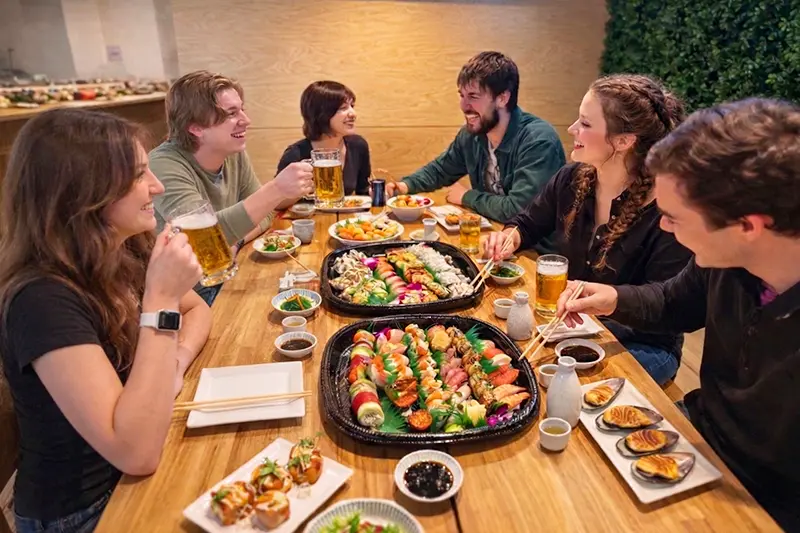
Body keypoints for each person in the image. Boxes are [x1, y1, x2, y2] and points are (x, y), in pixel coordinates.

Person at [556, 98, 800, 531]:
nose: (663, 228)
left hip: (768, 502)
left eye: (672, 217)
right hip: (697, 436)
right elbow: (674, 302)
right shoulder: (725, 260)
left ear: (749, 226)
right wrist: (611, 297)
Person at [0, 108, 213, 532]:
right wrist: (160, 299)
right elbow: (134, 452)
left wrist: (176, 362)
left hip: (139, 460)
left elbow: (198, 309)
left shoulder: (124, 247)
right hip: (86, 509)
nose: (158, 186)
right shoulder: (41, 297)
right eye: (137, 175)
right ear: (81, 193)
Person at [483, 74, 692, 386]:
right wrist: (508, 237)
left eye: (585, 123)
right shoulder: (571, 178)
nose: (572, 130)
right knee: (501, 355)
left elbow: (666, 300)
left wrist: (612, 299)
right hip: (570, 327)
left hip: (641, 345)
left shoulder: (667, 210)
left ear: (624, 140)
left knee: (553, 387)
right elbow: (527, 223)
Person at [149, 70, 314, 305]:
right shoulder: (163, 164)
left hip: (227, 276)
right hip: (184, 296)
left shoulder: (232, 151)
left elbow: (266, 214)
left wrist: (235, 241)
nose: (246, 121)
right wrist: (276, 189)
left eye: (242, 109)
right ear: (195, 127)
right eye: (231, 113)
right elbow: (205, 239)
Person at [386, 51, 565, 228]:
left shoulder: (538, 141)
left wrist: (467, 197)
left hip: (536, 251)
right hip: (494, 237)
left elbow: (519, 210)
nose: (464, 106)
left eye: (473, 96)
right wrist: (405, 186)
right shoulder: (472, 135)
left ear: (502, 98)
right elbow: (441, 169)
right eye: (462, 96)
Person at [277, 80, 371, 204]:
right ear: (322, 114)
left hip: (343, 221)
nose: (353, 114)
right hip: (307, 221)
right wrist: (300, 191)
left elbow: (363, 192)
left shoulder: (358, 145)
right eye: (343, 108)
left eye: (352, 106)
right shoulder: (296, 154)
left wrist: (377, 192)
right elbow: (276, 203)